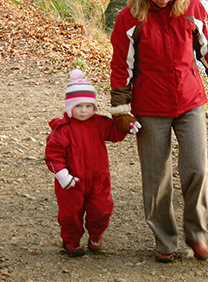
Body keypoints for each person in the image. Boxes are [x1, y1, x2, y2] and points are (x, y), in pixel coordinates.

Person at [109, 0, 208, 263]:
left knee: (197, 169)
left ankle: (197, 236)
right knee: (156, 177)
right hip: (150, 105)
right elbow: (121, 66)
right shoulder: (130, 17)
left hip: (190, 101)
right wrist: (121, 109)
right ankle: (165, 240)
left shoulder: (192, 8)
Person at [45, 69, 141, 257]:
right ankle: (71, 241)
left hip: (98, 178)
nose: (83, 110)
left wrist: (125, 124)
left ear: (94, 107)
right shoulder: (63, 129)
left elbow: (114, 133)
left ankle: (96, 234)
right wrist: (62, 174)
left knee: (101, 210)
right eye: (78, 106)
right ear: (69, 107)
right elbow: (53, 154)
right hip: (72, 182)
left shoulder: (99, 123)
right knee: (70, 214)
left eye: (89, 106)